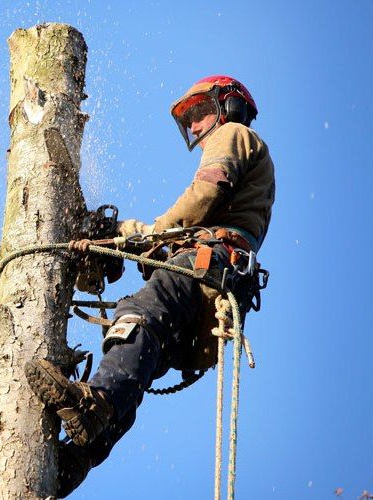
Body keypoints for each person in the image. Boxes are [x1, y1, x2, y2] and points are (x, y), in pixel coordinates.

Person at [24, 75, 275, 497]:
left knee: (135, 316)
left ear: (229, 106)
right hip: (209, 294)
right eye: (188, 121)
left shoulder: (235, 134)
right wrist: (118, 236)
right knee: (141, 354)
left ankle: (93, 406)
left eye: (199, 114)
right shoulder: (239, 189)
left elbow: (202, 197)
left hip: (207, 267)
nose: (195, 128)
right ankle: (80, 456)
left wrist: (151, 234)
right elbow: (174, 233)